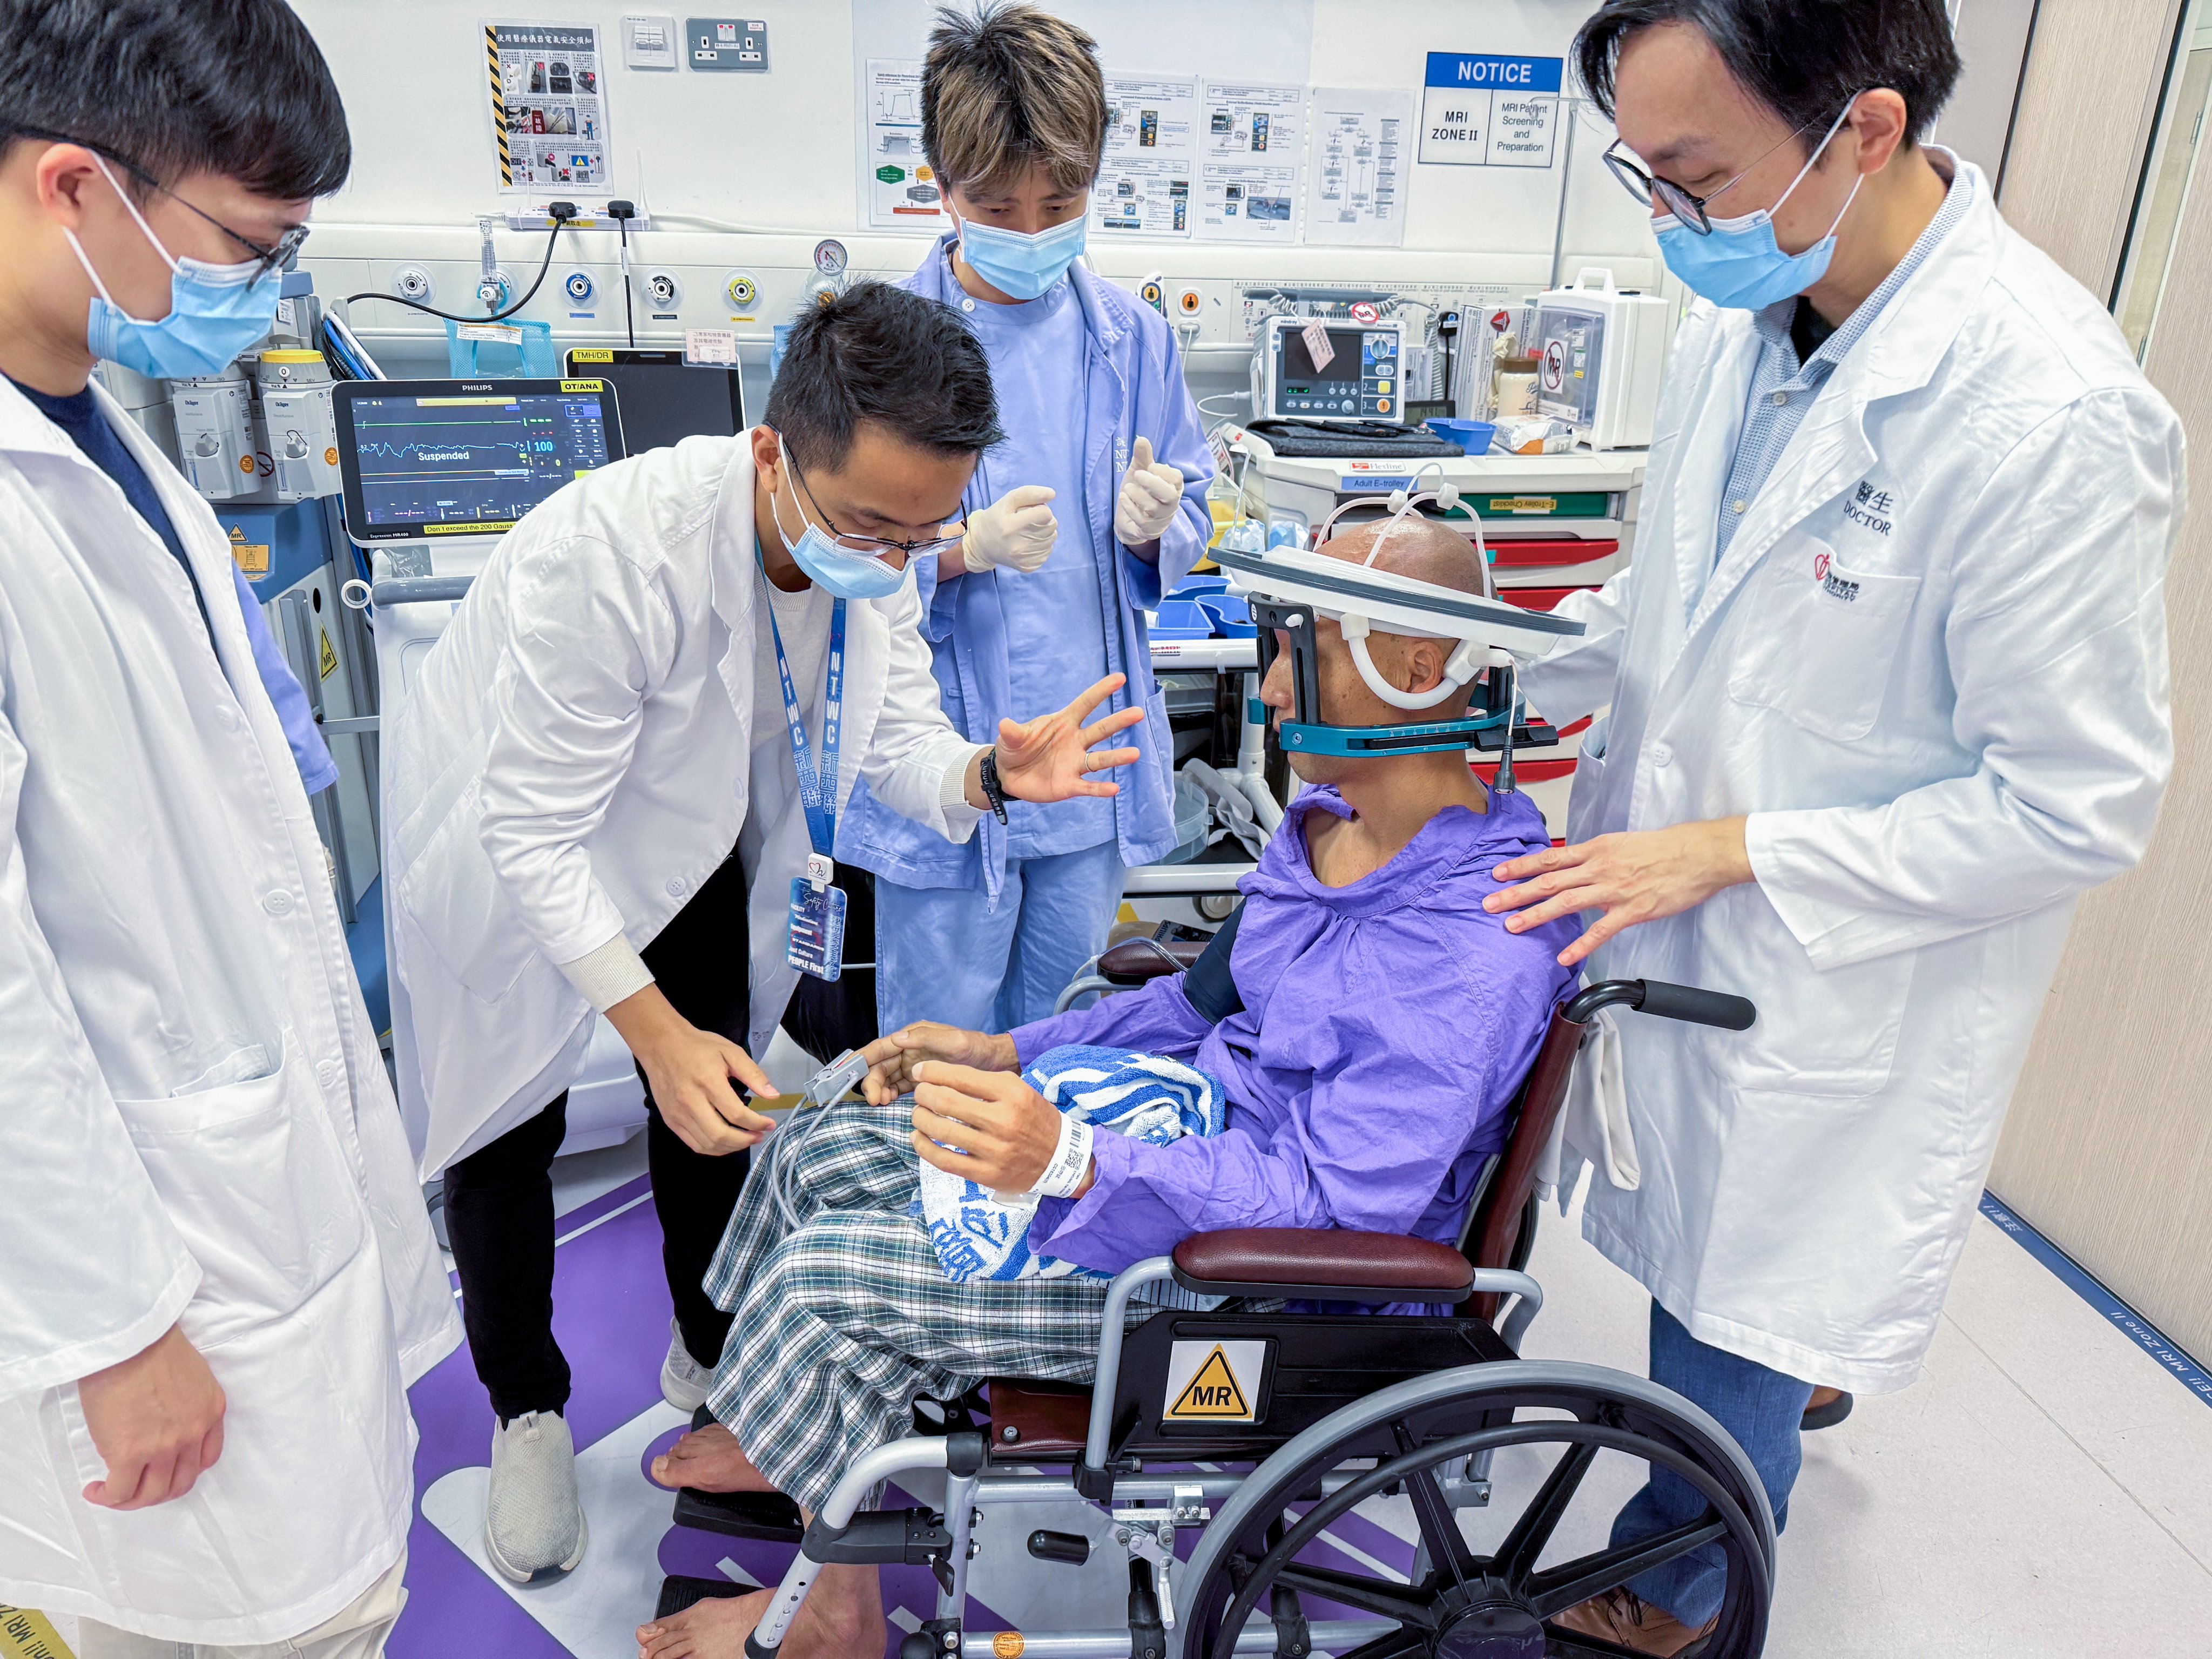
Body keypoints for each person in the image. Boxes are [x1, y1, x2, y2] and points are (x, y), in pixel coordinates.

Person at [1481, 4, 2183, 1650]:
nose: (1670, 219)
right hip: (1690, 916)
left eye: (1695, 174)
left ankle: (1678, 1585)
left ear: (1862, 130)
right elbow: (1683, 600)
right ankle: (1762, 1407)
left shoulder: (2050, 413)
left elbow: (2074, 805)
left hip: (1828, 968)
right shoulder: (1761, 310)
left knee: (1746, 1266)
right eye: (1640, 175)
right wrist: (1478, 655)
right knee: (1707, 1263)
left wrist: (1731, 850)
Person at [633, 518, 1581, 1659]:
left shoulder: (1470, 952)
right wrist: (1005, 1056)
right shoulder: (1330, 828)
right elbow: (1191, 1010)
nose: (1272, 682)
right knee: (817, 1144)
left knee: (821, 1280)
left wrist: (1073, 1162)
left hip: (1250, 1289)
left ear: (1417, 670)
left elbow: (1339, 1210)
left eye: (1299, 647)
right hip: (1179, 1154)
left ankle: (835, 1610)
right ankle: (793, 1432)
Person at [384, 280, 1151, 1584]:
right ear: (770, 453)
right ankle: (526, 1408)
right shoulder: (613, 559)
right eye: (870, 526)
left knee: (717, 1099)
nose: (897, 559)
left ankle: (713, 1355)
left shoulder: (882, 547)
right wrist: (645, 1032)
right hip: (524, 849)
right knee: (505, 1127)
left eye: (924, 535)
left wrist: (985, 775)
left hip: (691, 842)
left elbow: (898, 739)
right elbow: (531, 839)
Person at [0, 2, 457, 1654]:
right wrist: (112, 1333)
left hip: (253, 1211)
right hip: (128, 1300)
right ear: (74, 185)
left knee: (331, 1596)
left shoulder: (103, 441)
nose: (269, 295)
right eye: (253, 248)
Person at [848, 1, 1215, 1035]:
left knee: (1060, 1039)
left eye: (1061, 205)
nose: (1032, 233)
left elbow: (1189, 506)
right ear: (941, 183)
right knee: (941, 1053)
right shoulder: (879, 349)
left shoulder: (1132, 340)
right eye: (999, 209)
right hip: (947, 761)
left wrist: (1155, 525)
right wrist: (960, 551)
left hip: (1084, 761)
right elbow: (825, 556)